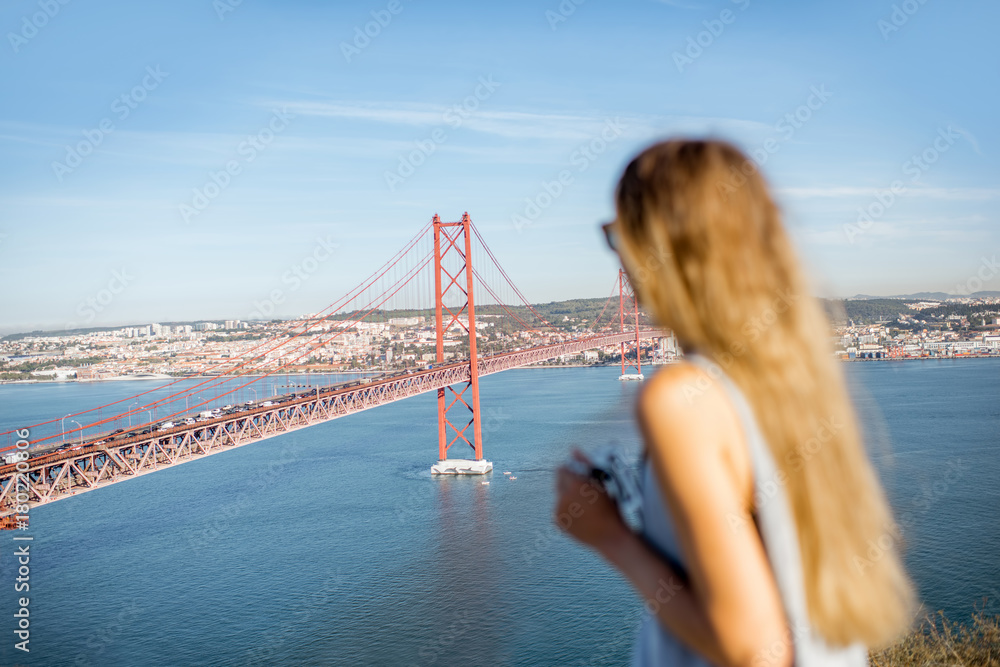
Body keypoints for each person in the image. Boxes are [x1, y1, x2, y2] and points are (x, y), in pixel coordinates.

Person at [554, 139, 914, 666]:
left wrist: (609, 536)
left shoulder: (680, 398)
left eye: (618, 237)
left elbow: (754, 648)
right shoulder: (796, 382)